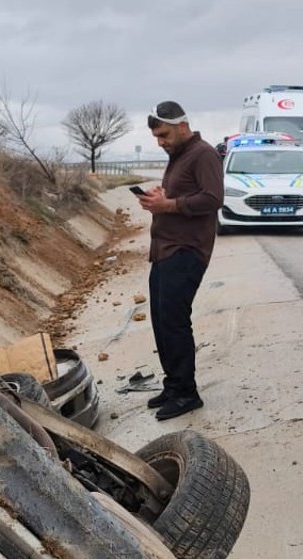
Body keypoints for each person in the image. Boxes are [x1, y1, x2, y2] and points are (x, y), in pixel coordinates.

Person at [138, 101, 224, 421]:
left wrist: (169, 205)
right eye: (156, 137)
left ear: (182, 126)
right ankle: (174, 385)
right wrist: (158, 199)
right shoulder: (178, 156)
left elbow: (214, 198)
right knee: (161, 320)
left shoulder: (202, 154)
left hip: (187, 251)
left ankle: (187, 393)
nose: (160, 142)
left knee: (174, 321)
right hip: (164, 249)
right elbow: (178, 197)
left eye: (164, 135)